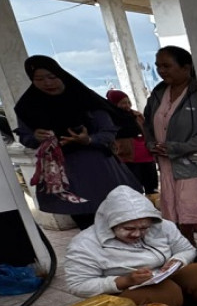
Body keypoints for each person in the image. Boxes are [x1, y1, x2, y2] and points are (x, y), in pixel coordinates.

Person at [14, 56, 142, 230]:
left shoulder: (84, 99)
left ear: (60, 74)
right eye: (39, 79)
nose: (47, 83)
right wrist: (36, 137)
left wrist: (89, 139)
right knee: (86, 222)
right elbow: (25, 137)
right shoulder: (28, 106)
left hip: (99, 169)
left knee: (116, 218)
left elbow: (108, 132)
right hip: (65, 173)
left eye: (52, 77)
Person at [65, 185, 197, 306]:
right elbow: (78, 285)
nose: (137, 234)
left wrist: (177, 261)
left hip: (162, 276)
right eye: (128, 228)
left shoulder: (162, 226)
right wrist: (125, 281)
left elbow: (187, 249)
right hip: (125, 291)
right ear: (110, 223)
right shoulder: (85, 244)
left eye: (143, 228)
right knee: (165, 293)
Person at [144, 46, 197, 245]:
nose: (161, 71)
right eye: (158, 66)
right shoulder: (158, 93)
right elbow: (147, 122)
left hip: (191, 165)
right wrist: (151, 143)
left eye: (167, 66)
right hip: (166, 165)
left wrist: (179, 147)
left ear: (186, 67)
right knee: (175, 216)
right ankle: (187, 252)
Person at [106, 89, 159, 197]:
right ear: (114, 104)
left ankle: (153, 204)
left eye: (128, 102)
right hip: (128, 158)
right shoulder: (110, 118)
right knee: (134, 188)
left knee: (152, 188)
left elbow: (148, 131)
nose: (127, 105)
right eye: (123, 103)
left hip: (147, 156)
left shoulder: (136, 115)